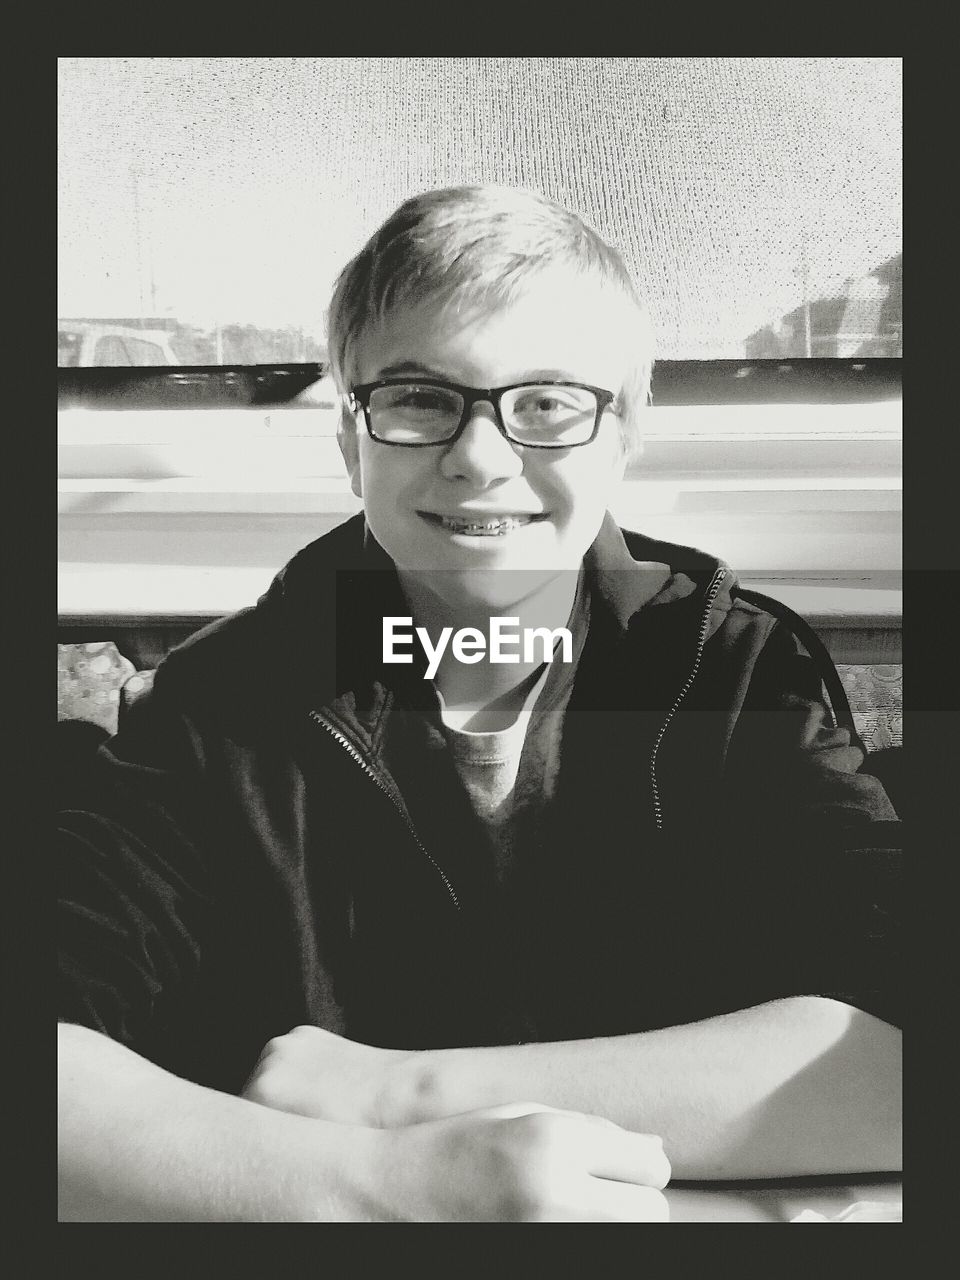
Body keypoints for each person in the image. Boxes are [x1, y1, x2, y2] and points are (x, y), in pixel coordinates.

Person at [58, 185, 901, 1222]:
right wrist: (405, 1187)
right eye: (419, 397)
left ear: (624, 431)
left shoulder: (731, 672)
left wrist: (395, 1092)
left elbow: (898, 1039)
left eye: (547, 403)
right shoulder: (216, 708)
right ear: (350, 438)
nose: (481, 455)